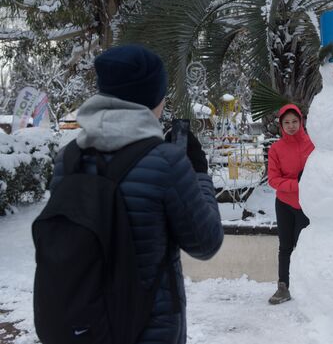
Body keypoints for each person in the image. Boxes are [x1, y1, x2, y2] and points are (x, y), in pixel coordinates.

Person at [49, 44, 224, 344]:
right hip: (147, 329)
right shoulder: (166, 161)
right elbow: (206, 243)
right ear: (151, 98)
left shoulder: (67, 159)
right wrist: (198, 173)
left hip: (85, 324)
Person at [267, 103, 314, 304]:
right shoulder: (276, 149)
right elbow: (273, 179)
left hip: (307, 205)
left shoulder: (313, 145)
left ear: (301, 121)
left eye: (295, 121)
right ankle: (283, 286)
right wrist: (297, 185)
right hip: (285, 203)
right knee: (285, 246)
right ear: (281, 125)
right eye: (287, 122)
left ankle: (310, 287)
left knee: (305, 246)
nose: (291, 126)